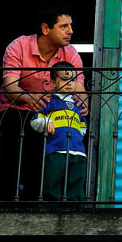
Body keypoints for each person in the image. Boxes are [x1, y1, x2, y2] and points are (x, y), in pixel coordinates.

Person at [0, 4, 87, 201]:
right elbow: (10, 86)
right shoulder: (19, 46)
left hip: (52, 113)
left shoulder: (70, 54)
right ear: (46, 29)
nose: (71, 31)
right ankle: (8, 199)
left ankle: (46, 197)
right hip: (16, 110)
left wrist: (83, 105)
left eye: (70, 25)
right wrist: (29, 98)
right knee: (18, 137)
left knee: (65, 134)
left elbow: (79, 89)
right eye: (63, 26)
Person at [30, 62, 87, 201]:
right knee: (52, 182)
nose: (69, 83)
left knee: (76, 183)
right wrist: (47, 122)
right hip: (56, 149)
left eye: (73, 80)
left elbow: (83, 125)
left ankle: (75, 211)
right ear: (53, 82)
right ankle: (51, 211)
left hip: (77, 150)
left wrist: (79, 134)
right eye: (64, 79)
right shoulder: (51, 102)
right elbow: (35, 120)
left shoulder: (77, 105)